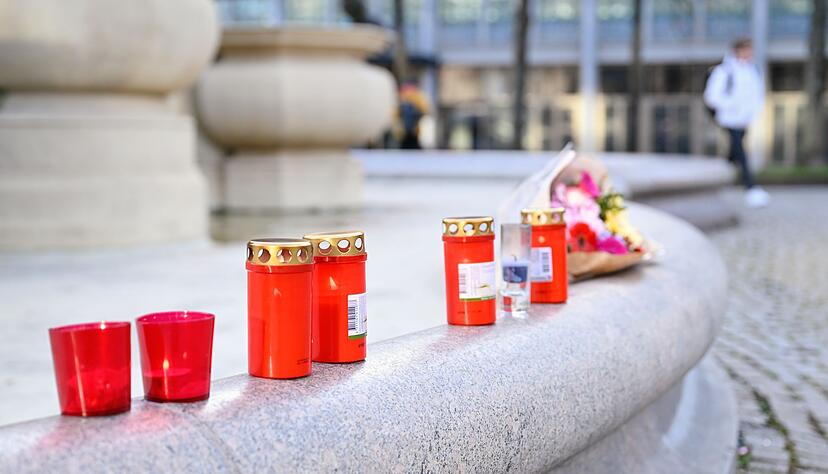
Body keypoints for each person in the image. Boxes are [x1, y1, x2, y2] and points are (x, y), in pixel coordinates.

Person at [704, 38, 770, 208]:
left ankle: (719, 176)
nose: (749, 53)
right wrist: (732, 106)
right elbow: (712, 96)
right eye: (746, 50)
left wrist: (752, 112)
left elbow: (756, 95)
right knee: (740, 149)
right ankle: (751, 186)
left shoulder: (752, 70)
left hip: (744, 119)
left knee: (734, 153)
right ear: (737, 50)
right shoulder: (725, 71)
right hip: (729, 118)